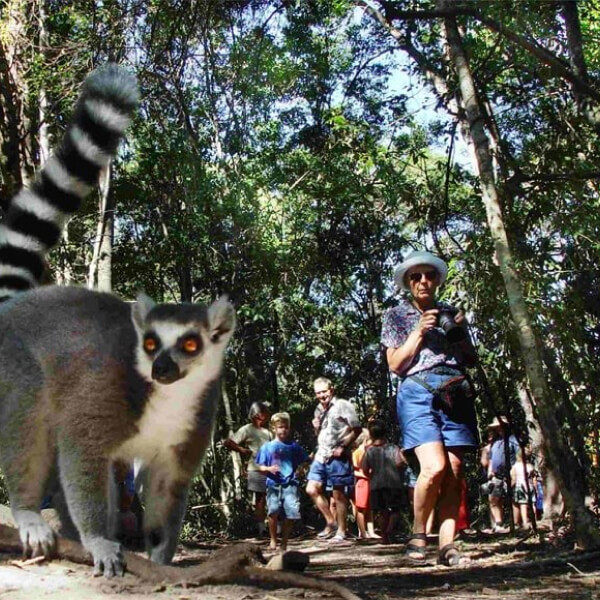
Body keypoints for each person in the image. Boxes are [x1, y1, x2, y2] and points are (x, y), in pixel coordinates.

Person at [381, 250, 478, 566]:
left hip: (455, 389)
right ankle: (418, 535)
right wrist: (420, 331)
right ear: (408, 283)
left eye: (429, 275)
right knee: (434, 466)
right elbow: (396, 364)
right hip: (417, 391)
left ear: (437, 280)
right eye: (415, 277)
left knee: (454, 471)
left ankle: (448, 547)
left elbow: (471, 360)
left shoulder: (450, 312)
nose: (423, 281)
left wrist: (461, 334)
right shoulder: (396, 315)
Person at [306, 377, 362, 543]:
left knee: (338, 493)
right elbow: (320, 435)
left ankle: (342, 531)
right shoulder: (318, 409)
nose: (322, 395)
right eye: (318, 393)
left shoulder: (342, 405)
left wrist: (343, 447)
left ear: (331, 389)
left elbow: (357, 428)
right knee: (311, 488)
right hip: (321, 455)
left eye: (324, 391)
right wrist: (315, 428)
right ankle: (331, 522)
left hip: (338, 454)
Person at [255, 412, 308, 551]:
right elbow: (259, 466)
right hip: (273, 484)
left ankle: (284, 541)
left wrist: (301, 470)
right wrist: (268, 468)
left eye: (285, 427)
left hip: (291, 484)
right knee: (273, 512)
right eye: (280, 427)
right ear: (274, 428)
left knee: (292, 513)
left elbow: (304, 461)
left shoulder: (293, 446)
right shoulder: (267, 447)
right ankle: (273, 539)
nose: (283, 430)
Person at [223, 402, 272, 536]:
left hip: (269, 468)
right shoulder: (247, 429)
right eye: (265, 413)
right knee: (260, 498)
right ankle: (262, 529)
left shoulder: (267, 432)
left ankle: (275, 527)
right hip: (256, 468)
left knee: (273, 496)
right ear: (259, 415)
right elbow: (228, 442)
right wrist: (242, 450)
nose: (267, 416)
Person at [360, 419, 407, 544]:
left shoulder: (369, 451)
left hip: (376, 484)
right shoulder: (393, 448)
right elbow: (399, 462)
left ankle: (384, 535)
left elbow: (364, 468)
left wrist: (371, 475)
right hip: (393, 484)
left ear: (371, 434)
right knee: (396, 509)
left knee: (382, 510)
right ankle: (389, 530)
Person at [486, 415, 519, 532]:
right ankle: (499, 523)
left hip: (510, 473)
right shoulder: (495, 443)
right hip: (496, 475)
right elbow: (491, 458)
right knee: (494, 498)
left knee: (514, 499)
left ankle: (516, 523)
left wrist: (515, 472)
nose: (499, 429)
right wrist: (490, 470)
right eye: (497, 427)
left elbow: (519, 456)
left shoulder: (513, 440)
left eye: (501, 427)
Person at [351, 428, 379, 539]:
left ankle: (371, 531)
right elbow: (353, 469)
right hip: (362, 483)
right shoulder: (357, 453)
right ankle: (362, 532)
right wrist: (364, 475)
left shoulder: (370, 452)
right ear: (365, 440)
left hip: (370, 482)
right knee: (361, 508)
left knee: (369, 508)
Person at [510, 448, 537, 530]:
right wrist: (535, 488)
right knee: (532, 504)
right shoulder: (531, 466)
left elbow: (514, 479)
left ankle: (525, 522)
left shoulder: (515, 467)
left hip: (520, 487)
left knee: (523, 505)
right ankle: (534, 520)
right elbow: (534, 479)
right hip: (530, 487)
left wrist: (510, 487)